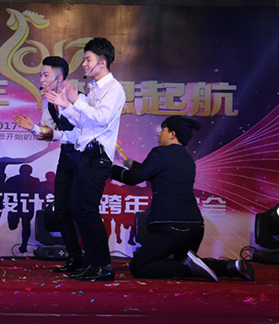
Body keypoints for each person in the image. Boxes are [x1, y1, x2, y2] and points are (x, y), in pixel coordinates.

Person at [112, 116, 254, 282]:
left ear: (172, 134)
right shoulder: (187, 159)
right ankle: (230, 267)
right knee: (176, 261)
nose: (159, 134)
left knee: (140, 266)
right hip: (195, 228)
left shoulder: (160, 153)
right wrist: (125, 160)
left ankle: (188, 269)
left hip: (173, 227)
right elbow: (148, 171)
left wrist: (108, 167)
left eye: (163, 130)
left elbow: (133, 178)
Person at [44, 37, 125, 281]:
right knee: (80, 211)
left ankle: (103, 266)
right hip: (85, 156)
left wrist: (76, 100)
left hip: (98, 158)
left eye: (88, 59)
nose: (84, 64)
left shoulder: (114, 89)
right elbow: (85, 123)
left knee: (87, 211)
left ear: (102, 62)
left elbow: (101, 119)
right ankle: (92, 264)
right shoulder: (93, 89)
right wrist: (66, 106)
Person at [13, 55, 84, 272]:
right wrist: (33, 129)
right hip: (67, 157)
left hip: (85, 158)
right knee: (61, 210)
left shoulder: (79, 100)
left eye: (45, 75)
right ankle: (75, 259)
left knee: (82, 210)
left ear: (59, 78)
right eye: (41, 75)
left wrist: (43, 131)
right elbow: (48, 133)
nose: (41, 80)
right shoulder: (48, 102)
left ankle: (93, 260)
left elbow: (82, 134)